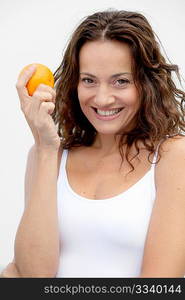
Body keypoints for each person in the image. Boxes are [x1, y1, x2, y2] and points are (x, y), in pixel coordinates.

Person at [1, 9, 185, 278]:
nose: (102, 98)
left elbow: (158, 288)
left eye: (120, 81)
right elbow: (35, 279)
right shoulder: (48, 156)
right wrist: (45, 148)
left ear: (146, 84)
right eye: (89, 80)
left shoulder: (173, 156)